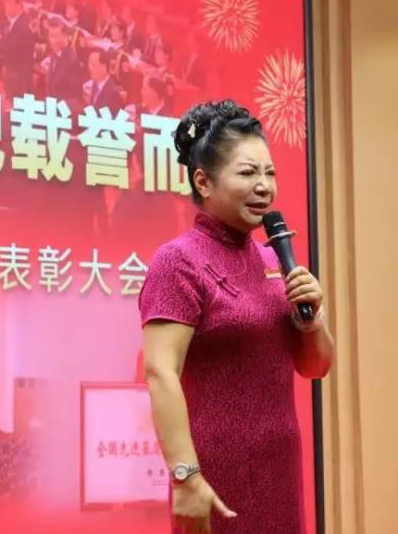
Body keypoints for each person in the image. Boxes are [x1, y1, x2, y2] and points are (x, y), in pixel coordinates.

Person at [139, 100, 334, 534]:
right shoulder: (178, 261)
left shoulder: (273, 259)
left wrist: (312, 320)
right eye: (247, 173)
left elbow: (316, 366)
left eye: (270, 173)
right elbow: (160, 372)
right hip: (214, 474)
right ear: (203, 181)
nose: (264, 186)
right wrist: (186, 477)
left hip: (279, 467)